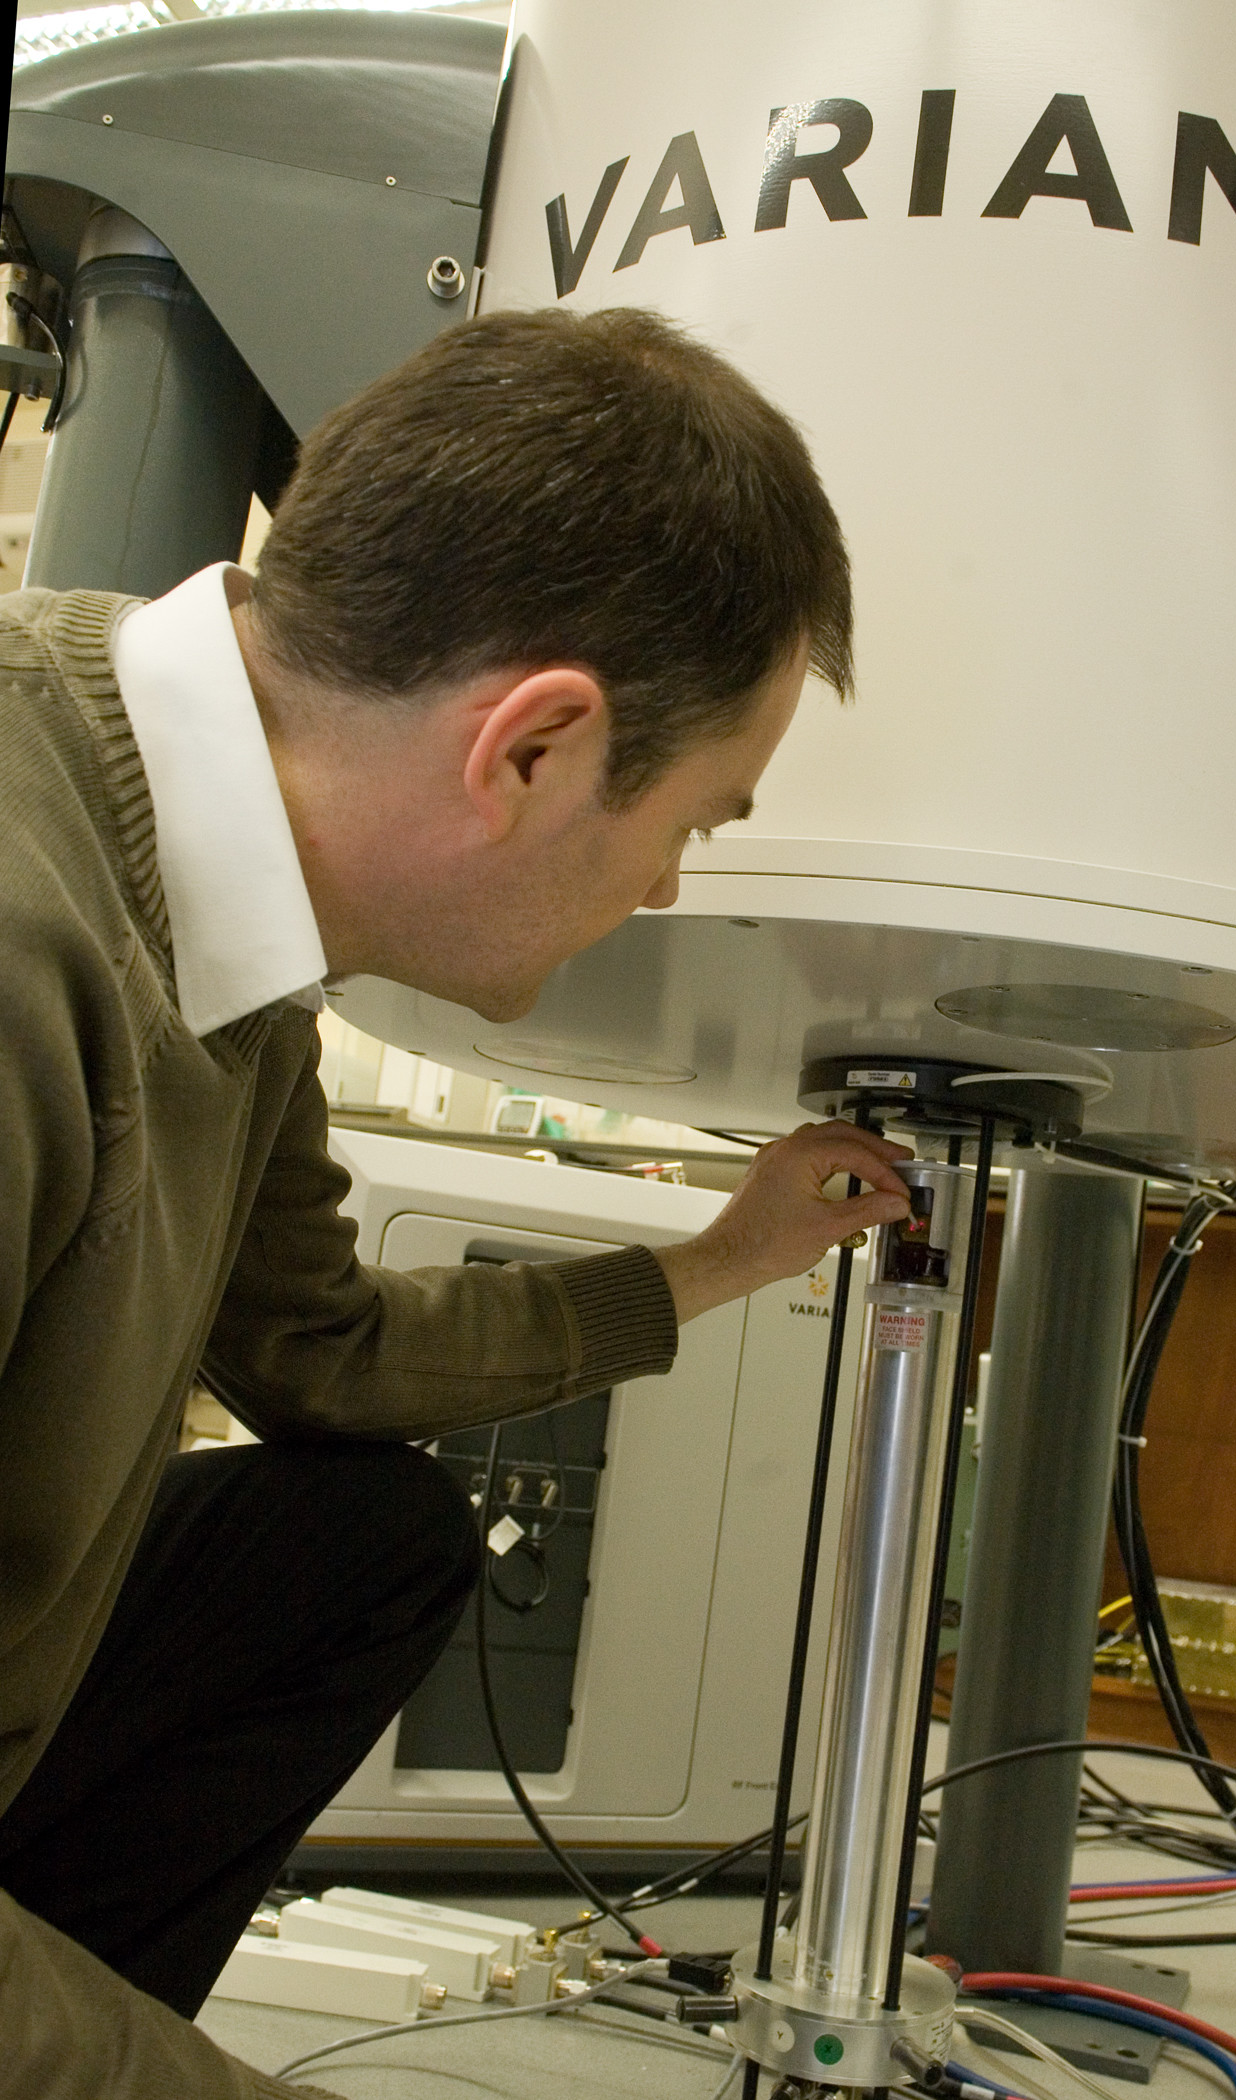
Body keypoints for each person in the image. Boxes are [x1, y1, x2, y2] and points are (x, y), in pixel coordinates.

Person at [0, 305, 912, 2098]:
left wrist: (727, 1257)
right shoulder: (29, 943)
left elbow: (319, 1356)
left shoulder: (221, 910)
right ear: (533, 751)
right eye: (701, 824)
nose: (663, 892)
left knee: (355, 1548)